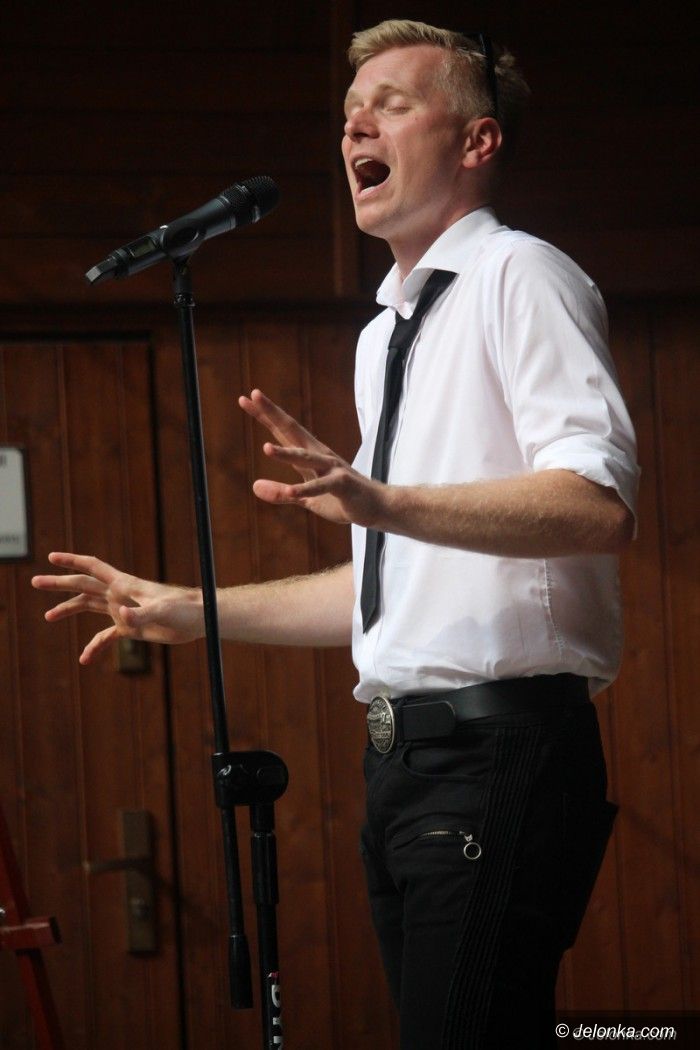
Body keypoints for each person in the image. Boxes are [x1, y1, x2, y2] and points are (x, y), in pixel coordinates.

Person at [32, 20, 639, 1050]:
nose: (356, 125)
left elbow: (598, 507)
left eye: (392, 105)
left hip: (500, 748)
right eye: (350, 112)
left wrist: (386, 503)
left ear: (477, 141)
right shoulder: (384, 331)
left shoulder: (520, 276)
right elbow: (388, 580)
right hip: (405, 763)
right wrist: (189, 610)